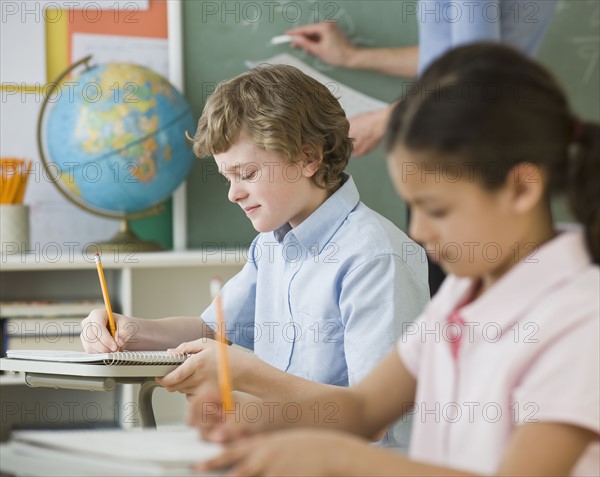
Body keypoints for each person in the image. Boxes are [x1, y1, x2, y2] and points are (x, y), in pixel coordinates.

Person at [190, 44, 600, 476]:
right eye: (412, 207)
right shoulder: (464, 291)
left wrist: (336, 458)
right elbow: (364, 407)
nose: (419, 232)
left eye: (437, 209)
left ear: (521, 189)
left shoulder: (581, 318)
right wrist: (251, 419)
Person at [80, 64, 430, 446]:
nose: (233, 194)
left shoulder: (373, 256)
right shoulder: (272, 244)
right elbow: (212, 330)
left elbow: (372, 419)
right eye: (227, 177)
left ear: (308, 158)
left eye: (246, 173)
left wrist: (246, 374)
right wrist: (131, 330)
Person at [287, 0, 558, 157]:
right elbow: (450, 56)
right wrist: (350, 56)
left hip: (463, 149)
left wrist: (384, 120)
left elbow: (474, 72)